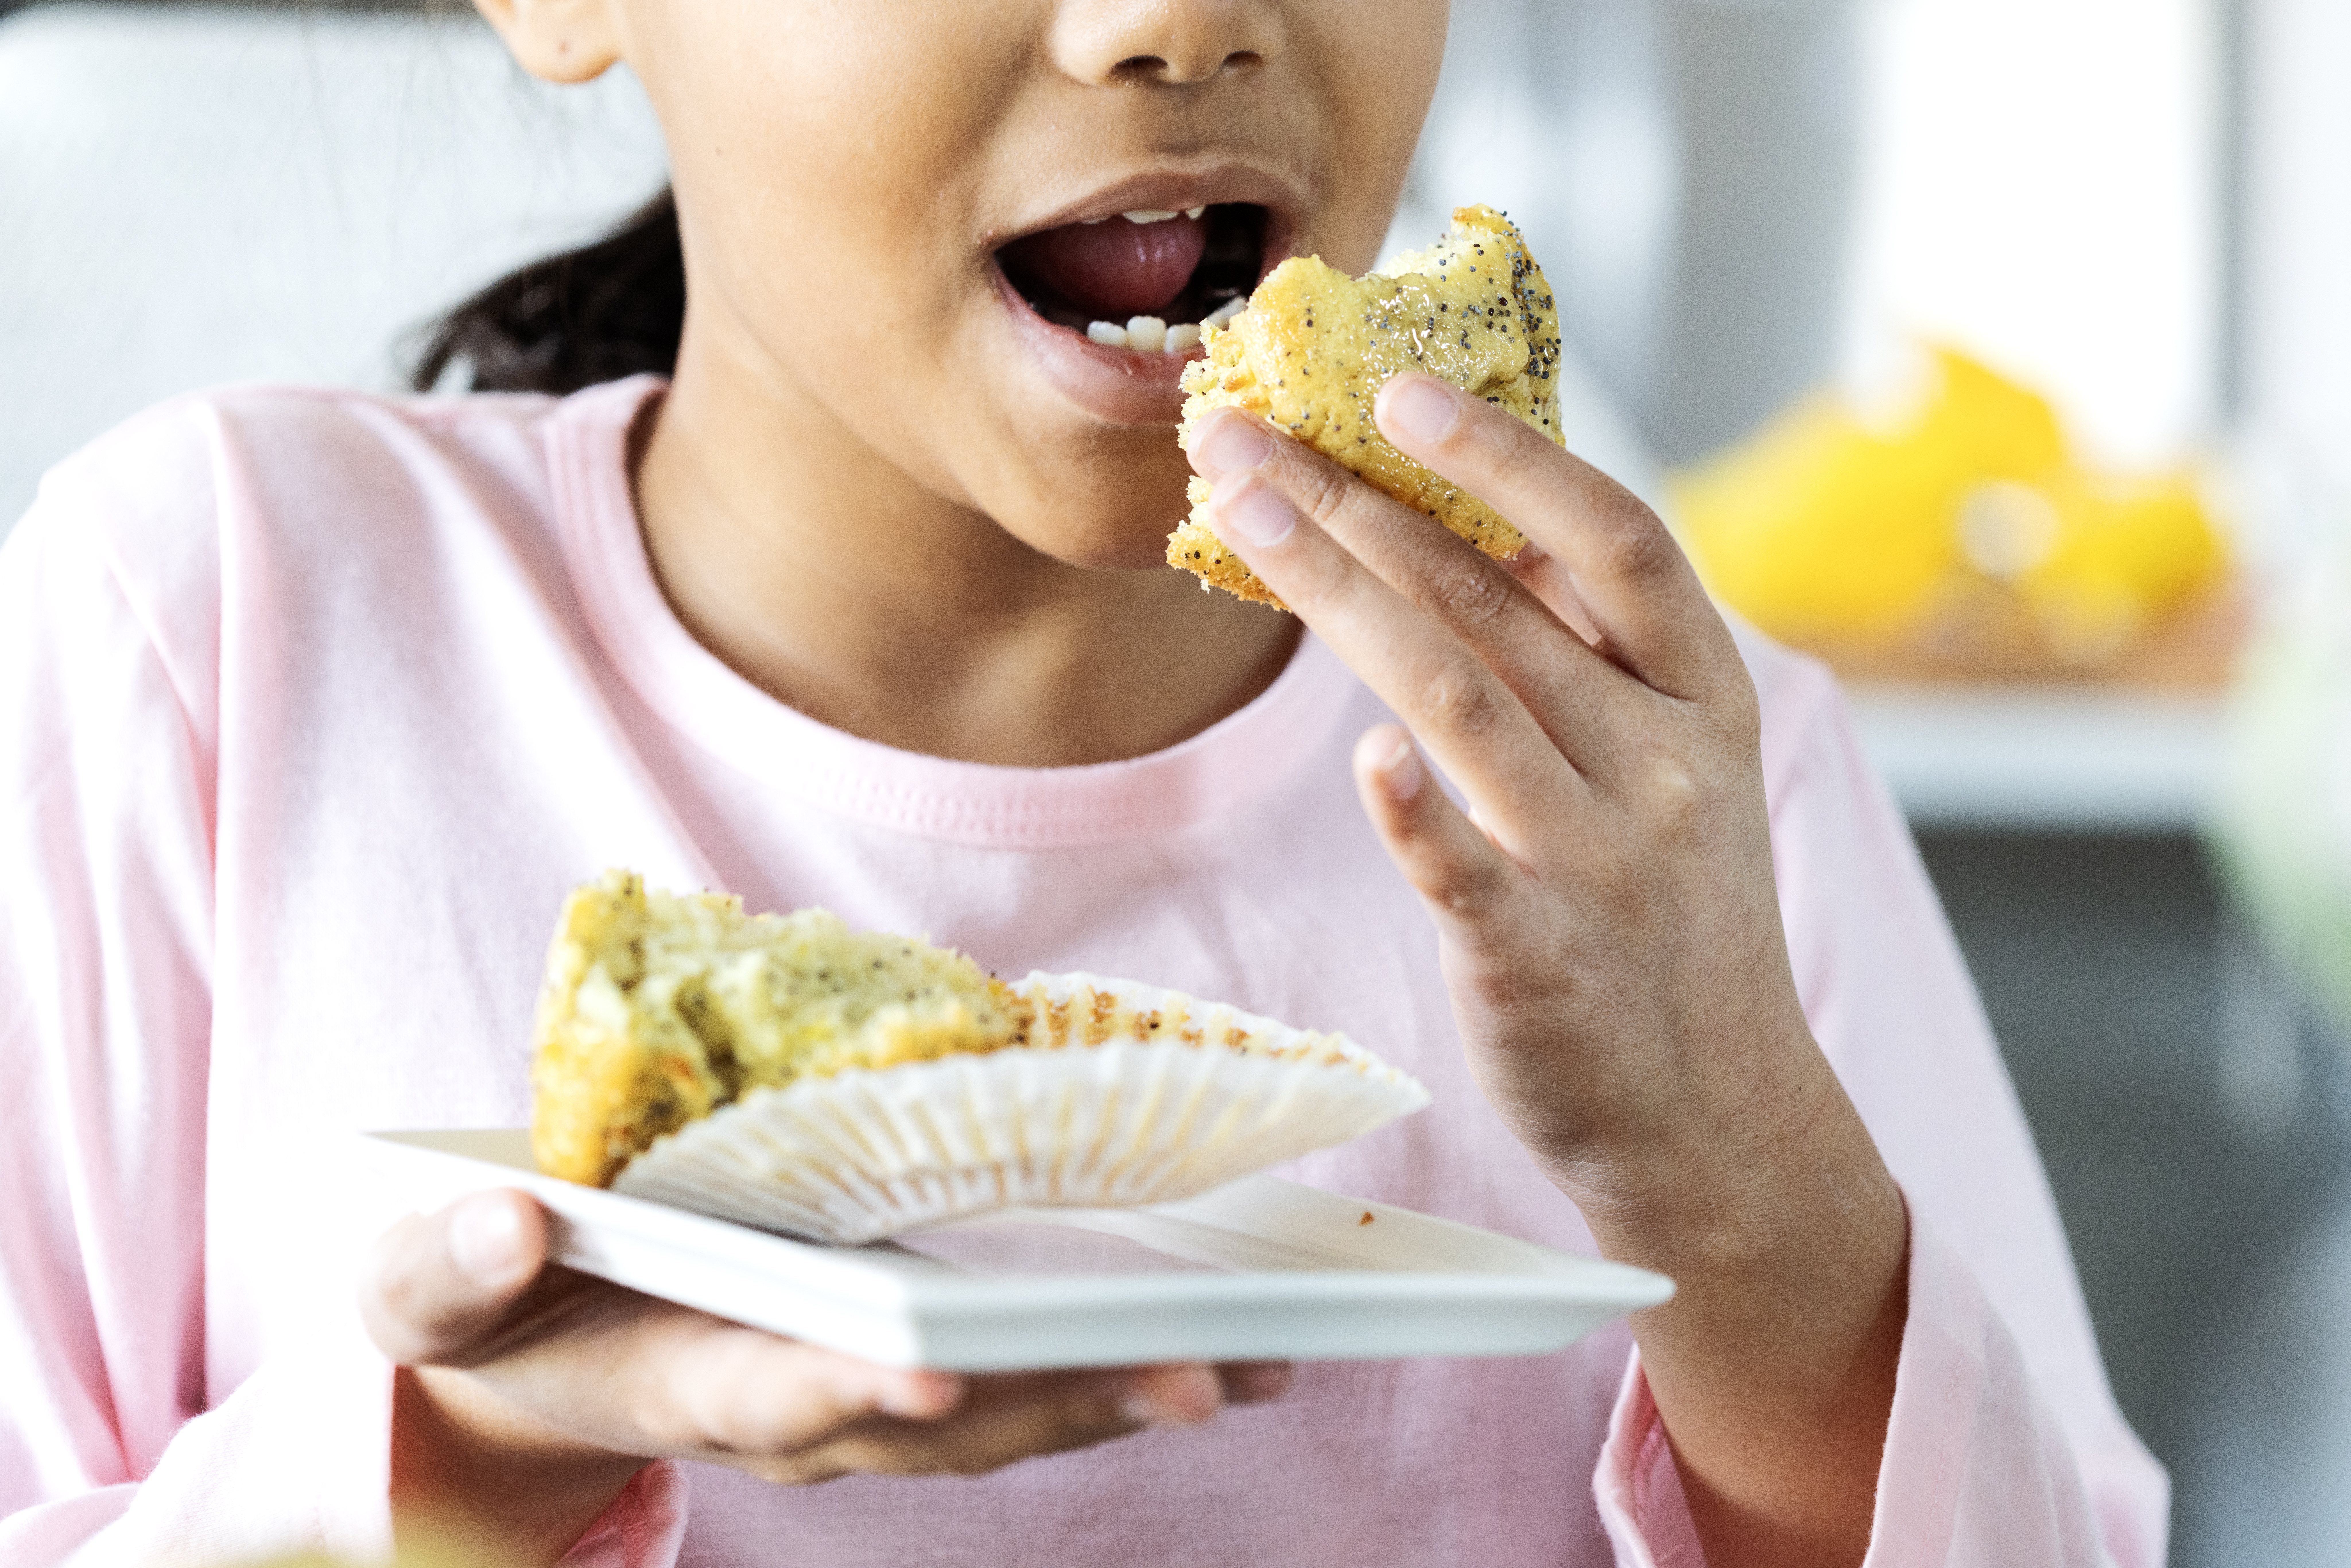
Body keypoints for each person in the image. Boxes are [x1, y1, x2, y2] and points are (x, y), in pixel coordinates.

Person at [0, 2, 2166, 1565]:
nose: (1180, 20)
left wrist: (1740, 1181)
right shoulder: (207, 633)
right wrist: (464, 1450)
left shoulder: (1677, 780)